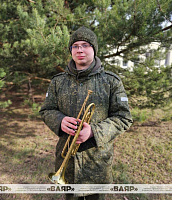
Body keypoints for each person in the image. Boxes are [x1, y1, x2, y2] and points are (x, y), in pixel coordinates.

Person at [39, 26, 133, 200]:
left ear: (94, 49)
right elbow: (46, 110)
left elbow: (123, 118)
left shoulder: (111, 82)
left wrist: (94, 131)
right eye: (75, 46)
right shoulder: (57, 82)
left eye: (85, 45)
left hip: (97, 163)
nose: (79, 49)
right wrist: (59, 121)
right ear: (71, 51)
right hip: (67, 162)